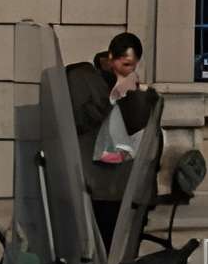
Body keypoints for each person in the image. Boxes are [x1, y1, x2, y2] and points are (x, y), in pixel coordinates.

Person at [66, 31, 157, 250]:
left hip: (122, 187)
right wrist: (114, 96)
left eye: (133, 65)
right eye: (125, 64)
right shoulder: (83, 78)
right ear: (111, 58)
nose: (129, 70)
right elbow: (83, 119)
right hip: (95, 184)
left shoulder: (131, 86)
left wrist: (141, 100)